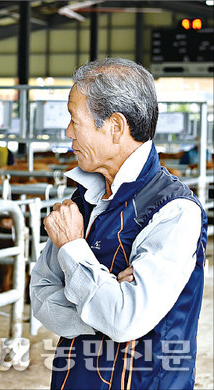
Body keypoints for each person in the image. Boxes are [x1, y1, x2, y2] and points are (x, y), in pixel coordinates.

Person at [30, 57, 207, 390]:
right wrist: (104, 300)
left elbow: (125, 320)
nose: (68, 132)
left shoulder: (175, 211)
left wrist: (72, 249)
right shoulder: (84, 197)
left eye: (73, 119)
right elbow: (40, 297)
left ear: (114, 127)